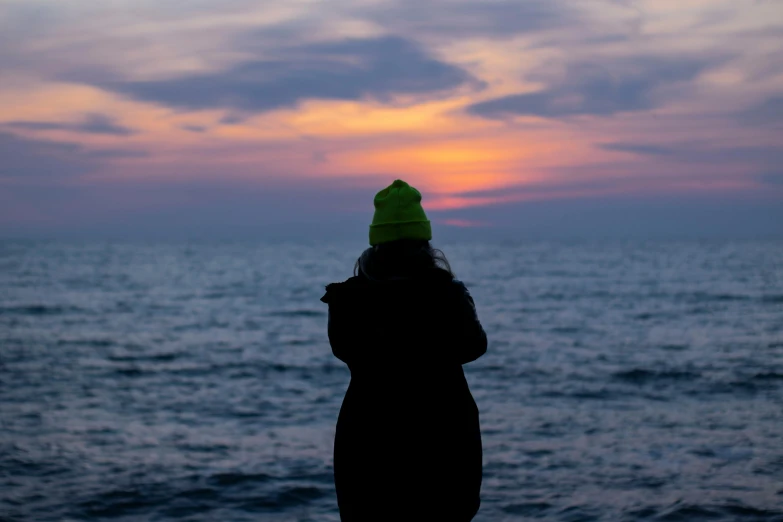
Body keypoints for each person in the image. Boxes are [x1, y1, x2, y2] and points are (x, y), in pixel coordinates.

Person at [320, 179, 488, 521]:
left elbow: (344, 349)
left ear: (375, 247)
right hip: (443, 433)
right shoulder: (446, 294)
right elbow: (474, 346)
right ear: (425, 246)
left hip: (368, 434)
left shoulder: (349, 299)